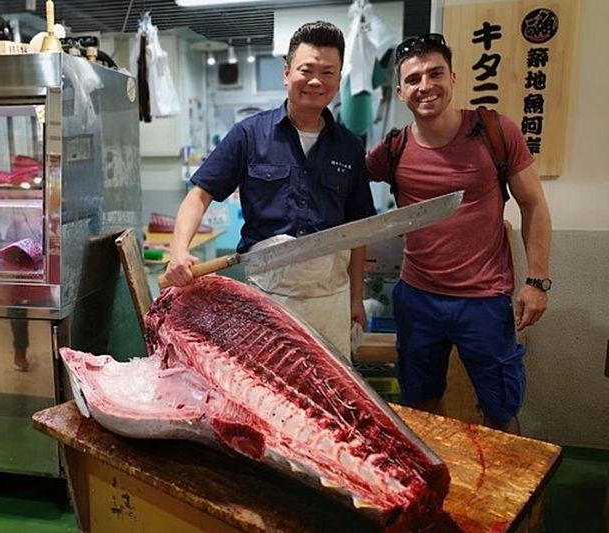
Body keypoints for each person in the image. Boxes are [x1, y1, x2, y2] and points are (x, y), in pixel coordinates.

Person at [366, 33, 552, 434]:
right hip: (416, 298)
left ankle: (509, 496)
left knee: (501, 411)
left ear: (453, 77)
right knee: (420, 405)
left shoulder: (494, 131)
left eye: (435, 73)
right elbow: (339, 180)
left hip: (484, 301)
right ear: (400, 91)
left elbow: (534, 205)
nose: (425, 86)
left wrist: (537, 281)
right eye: (413, 79)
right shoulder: (393, 149)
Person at [163, 21, 376, 361]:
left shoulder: (349, 147)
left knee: (329, 393)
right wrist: (178, 251)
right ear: (287, 73)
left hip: (330, 299)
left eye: (328, 72)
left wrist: (355, 299)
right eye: (306, 70)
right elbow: (198, 195)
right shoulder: (249, 135)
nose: (316, 81)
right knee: (268, 387)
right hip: (267, 296)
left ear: (338, 81)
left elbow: (358, 230)